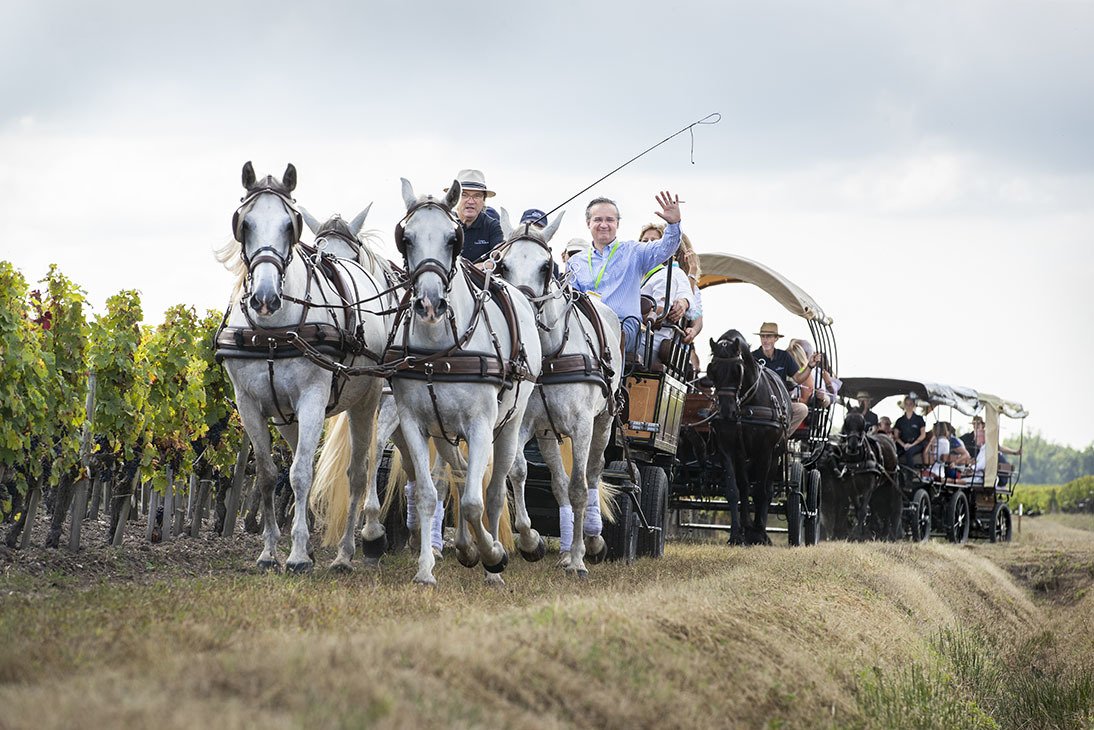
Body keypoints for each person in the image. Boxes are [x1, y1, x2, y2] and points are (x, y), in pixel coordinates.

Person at [566, 192, 684, 353]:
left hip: (623, 325)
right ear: (588, 223)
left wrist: (673, 224)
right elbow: (571, 299)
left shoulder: (634, 252)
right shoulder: (575, 261)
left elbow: (665, 249)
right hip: (585, 325)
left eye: (609, 220)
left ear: (617, 224)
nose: (604, 224)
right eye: (598, 219)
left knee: (607, 339)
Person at [638, 223, 705, 345]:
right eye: (644, 241)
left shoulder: (671, 274)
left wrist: (685, 302)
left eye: (654, 241)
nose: (648, 244)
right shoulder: (636, 272)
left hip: (656, 336)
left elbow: (692, 308)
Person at [750, 322, 813, 432]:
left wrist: (810, 366)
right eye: (762, 336)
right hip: (759, 404)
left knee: (802, 409)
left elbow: (798, 378)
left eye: (769, 336)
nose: (765, 340)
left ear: (776, 339)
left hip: (780, 404)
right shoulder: (752, 357)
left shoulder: (784, 356)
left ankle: (781, 437)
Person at [444, 169, 503, 262]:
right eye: (464, 195)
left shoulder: (492, 226)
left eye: (477, 196)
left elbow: (497, 257)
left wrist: (488, 263)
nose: (471, 201)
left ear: (484, 201)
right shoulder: (444, 223)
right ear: (455, 198)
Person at [894, 395, 928, 466]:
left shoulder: (919, 419)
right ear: (904, 405)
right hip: (903, 444)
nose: (908, 406)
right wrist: (903, 445)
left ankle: (910, 475)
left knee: (909, 452)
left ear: (914, 405)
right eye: (906, 404)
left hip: (916, 444)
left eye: (910, 404)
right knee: (893, 452)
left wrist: (912, 445)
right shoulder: (900, 420)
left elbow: (923, 435)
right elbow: (896, 436)